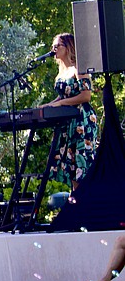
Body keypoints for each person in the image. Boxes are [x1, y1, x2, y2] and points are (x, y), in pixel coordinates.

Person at [43, 33, 97, 191]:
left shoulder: (79, 68)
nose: (54, 49)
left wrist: (59, 104)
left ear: (68, 47)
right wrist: (47, 106)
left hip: (82, 120)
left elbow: (86, 96)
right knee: (71, 166)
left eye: (57, 46)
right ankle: (76, 207)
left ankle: (85, 207)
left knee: (81, 164)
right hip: (66, 122)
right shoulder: (61, 73)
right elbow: (61, 97)